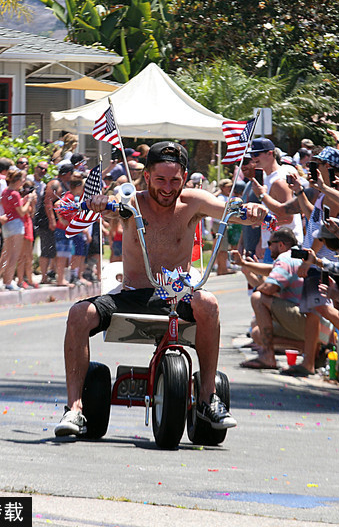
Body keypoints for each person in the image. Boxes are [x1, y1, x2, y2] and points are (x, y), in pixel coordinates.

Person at [55, 141, 267, 436]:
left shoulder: (194, 201)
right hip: (134, 294)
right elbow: (112, 208)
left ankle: (207, 398)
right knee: (79, 314)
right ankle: (75, 409)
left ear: (184, 177)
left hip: (176, 296)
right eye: (160, 180)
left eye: (175, 180)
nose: (168, 188)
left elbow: (230, 209)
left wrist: (252, 211)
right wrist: (100, 203)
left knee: (208, 302)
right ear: (147, 178)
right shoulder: (131, 201)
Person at [235, 228, 302, 370]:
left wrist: (259, 286)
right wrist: (245, 264)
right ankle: (308, 347)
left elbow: (269, 289)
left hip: (306, 321)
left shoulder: (285, 259)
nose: (267, 247)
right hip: (315, 326)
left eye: (270, 243)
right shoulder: (297, 256)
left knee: (258, 298)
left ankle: (267, 356)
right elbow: (270, 270)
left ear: (281, 245)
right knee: (258, 334)